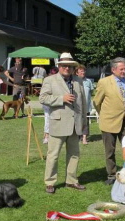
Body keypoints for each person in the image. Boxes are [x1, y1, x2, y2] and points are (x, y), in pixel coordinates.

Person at [39, 53, 87, 193]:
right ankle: (50, 182)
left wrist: (84, 121)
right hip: (58, 123)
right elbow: (43, 98)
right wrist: (61, 98)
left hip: (75, 124)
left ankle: (71, 181)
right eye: (64, 65)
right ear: (59, 66)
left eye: (70, 66)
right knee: (53, 155)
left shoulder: (78, 80)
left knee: (74, 154)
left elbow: (83, 101)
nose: (67, 68)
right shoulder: (49, 80)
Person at [93, 57, 125, 185]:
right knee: (109, 151)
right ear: (113, 69)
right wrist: (104, 114)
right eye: (121, 69)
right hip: (109, 122)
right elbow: (96, 102)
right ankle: (111, 175)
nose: (124, 71)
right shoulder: (104, 82)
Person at [76, 64, 94, 145]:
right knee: (77, 122)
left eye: (84, 71)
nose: (83, 72)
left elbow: (91, 91)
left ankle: (84, 138)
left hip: (87, 106)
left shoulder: (88, 81)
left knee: (85, 122)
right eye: (81, 71)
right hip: (76, 107)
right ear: (77, 73)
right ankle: (78, 136)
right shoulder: (74, 81)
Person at [42, 67, 59, 144]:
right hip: (48, 103)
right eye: (52, 74)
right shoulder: (47, 81)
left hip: (57, 102)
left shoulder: (60, 81)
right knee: (47, 120)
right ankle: (46, 136)